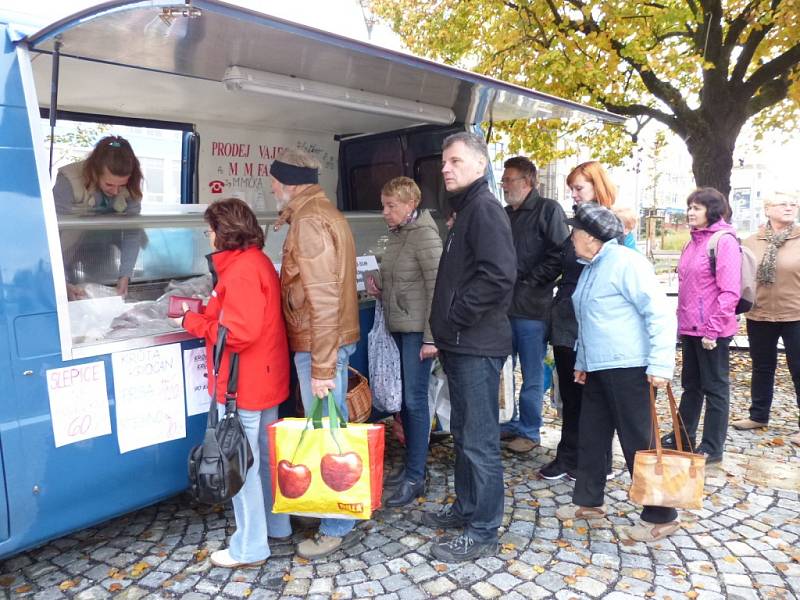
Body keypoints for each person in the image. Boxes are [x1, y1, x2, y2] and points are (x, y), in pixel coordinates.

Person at [555, 202, 679, 543]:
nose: (571, 237)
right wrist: (582, 361)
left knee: (639, 443)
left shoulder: (627, 264)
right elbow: (590, 319)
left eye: (575, 231)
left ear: (592, 239)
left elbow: (661, 314)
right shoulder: (592, 266)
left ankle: (661, 515)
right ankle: (589, 501)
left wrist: (660, 364)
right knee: (592, 436)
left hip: (630, 368)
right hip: (599, 368)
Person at [177, 197, 291, 568]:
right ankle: (277, 527)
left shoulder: (240, 271)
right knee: (262, 457)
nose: (207, 235)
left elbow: (238, 334)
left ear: (223, 233)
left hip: (246, 383)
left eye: (209, 229)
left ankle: (250, 548)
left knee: (239, 465)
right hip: (267, 376)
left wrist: (192, 323)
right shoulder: (256, 261)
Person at [425, 132, 516, 562]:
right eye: (445, 162)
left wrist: (456, 316)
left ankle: (484, 530)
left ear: (480, 166)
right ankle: (465, 508)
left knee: (479, 441)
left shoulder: (485, 209)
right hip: (460, 345)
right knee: (462, 435)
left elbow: (499, 276)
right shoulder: (464, 210)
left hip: (477, 345)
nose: (446, 168)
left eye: (456, 161)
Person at [269, 148, 362, 560]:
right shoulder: (323, 212)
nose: (272, 188)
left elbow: (322, 298)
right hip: (326, 340)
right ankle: (333, 511)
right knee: (331, 431)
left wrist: (322, 367)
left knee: (328, 435)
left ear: (288, 183)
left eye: (274, 181)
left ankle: (336, 524)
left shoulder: (307, 220)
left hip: (318, 345)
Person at [365, 177, 442, 507]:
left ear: (411, 204)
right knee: (408, 402)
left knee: (414, 400)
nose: (385, 212)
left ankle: (416, 474)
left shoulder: (425, 235)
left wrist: (431, 338)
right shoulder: (398, 236)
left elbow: (439, 289)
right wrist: (379, 283)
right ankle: (414, 467)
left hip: (417, 333)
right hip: (401, 327)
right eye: (383, 205)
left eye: (391, 205)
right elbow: (399, 275)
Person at [540, 161, 615, 481]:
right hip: (566, 322)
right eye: (571, 188)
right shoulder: (575, 224)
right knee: (570, 396)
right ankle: (569, 456)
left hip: (592, 324)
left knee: (594, 396)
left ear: (597, 188)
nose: (573, 194)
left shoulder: (609, 226)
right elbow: (559, 262)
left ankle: (599, 461)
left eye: (579, 188)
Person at [664, 187, 741, 464]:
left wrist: (713, 329)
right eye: (689, 207)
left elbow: (729, 291)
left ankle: (712, 446)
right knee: (691, 385)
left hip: (712, 331)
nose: (690, 213)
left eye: (696, 208)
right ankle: (682, 436)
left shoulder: (724, 241)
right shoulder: (692, 242)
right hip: (690, 327)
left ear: (712, 210)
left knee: (715, 388)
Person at [499, 157, 569, 454]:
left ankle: (529, 430)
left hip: (532, 308)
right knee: (504, 371)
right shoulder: (504, 214)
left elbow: (560, 254)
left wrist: (531, 281)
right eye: (503, 180)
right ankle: (509, 422)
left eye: (509, 180)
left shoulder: (548, 210)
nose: (504, 186)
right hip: (503, 308)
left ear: (527, 182)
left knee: (531, 373)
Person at [733, 193, 800, 446]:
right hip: (760, 313)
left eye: (794, 203)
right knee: (762, 367)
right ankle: (758, 415)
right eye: (783, 203)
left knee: (799, 370)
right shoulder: (752, 242)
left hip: (796, 314)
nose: (790, 207)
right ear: (767, 209)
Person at [53, 135, 145, 297]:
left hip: (103, 253)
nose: (116, 192)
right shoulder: (68, 180)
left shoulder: (132, 184)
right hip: (64, 252)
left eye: (121, 185)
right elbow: (51, 234)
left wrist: (125, 275)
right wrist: (58, 279)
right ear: (94, 172)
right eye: (109, 184)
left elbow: (132, 231)